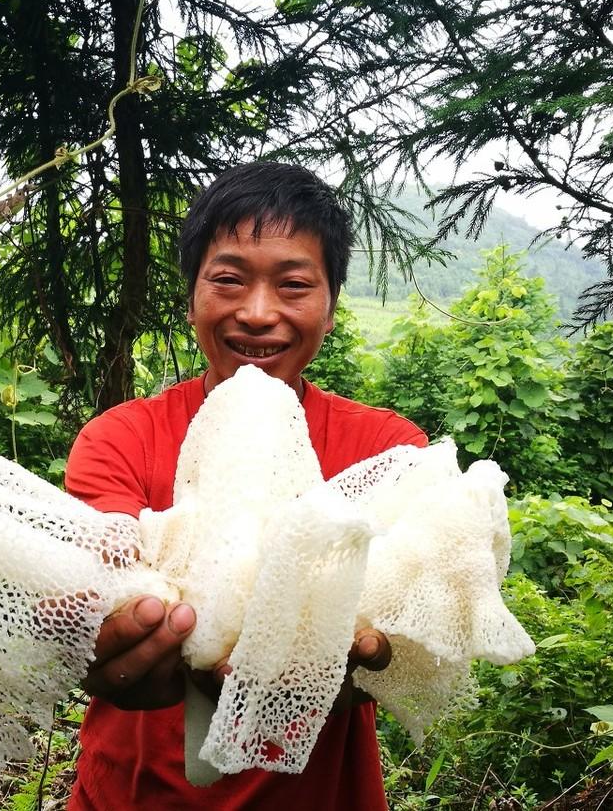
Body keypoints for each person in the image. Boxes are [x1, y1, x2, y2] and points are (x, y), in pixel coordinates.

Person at [63, 162, 428, 810]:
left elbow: (407, 619)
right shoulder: (117, 439)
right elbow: (102, 581)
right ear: (192, 297)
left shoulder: (386, 451)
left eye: (293, 284)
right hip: (130, 796)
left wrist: (382, 656)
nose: (258, 313)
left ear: (331, 307)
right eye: (228, 279)